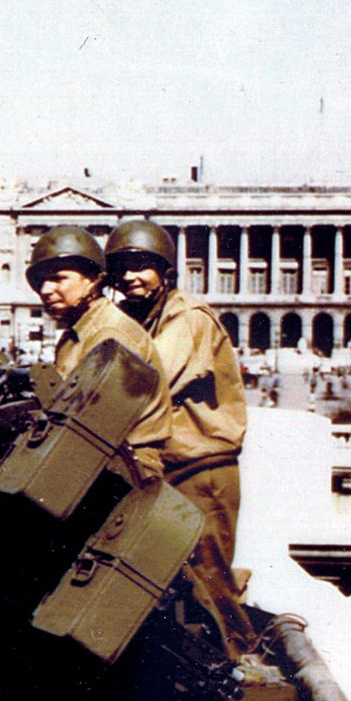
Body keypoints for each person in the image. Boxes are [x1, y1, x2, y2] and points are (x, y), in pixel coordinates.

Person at [107, 218, 256, 659]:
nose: (130, 276)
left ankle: (244, 666)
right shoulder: (144, 319)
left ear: (165, 271)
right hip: (173, 471)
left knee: (210, 580)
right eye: (122, 268)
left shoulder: (187, 319)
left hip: (201, 471)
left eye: (142, 266)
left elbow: (144, 382)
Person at [30, 224, 170, 484]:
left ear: (94, 280)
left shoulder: (111, 333)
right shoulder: (78, 332)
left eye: (59, 278)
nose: (46, 290)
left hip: (124, 471)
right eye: (40, 281)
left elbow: (95, 425)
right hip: (96, 462)